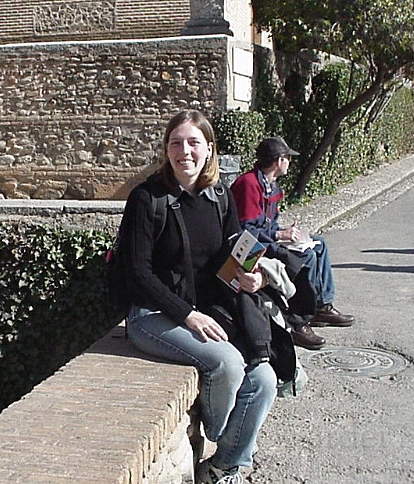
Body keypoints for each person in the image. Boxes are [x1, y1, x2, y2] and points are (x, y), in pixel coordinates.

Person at [121, 110, 277, 484]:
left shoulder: (220, 195)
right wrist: (187, 314)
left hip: (208, 309)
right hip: (152, 315)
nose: (184, 151)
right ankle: (222, 438)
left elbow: (234, 254)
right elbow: (137, 272)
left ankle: (223, 467)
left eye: (193, 142)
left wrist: (251, 277)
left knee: (265, 379)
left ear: (209, 149)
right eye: (176, 143)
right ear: (166, 150)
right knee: (227, 364)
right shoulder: (147, 198)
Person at [230, 136, 354, 350]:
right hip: (251, 247)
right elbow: (246, 229)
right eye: (288, 157)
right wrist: (279, 235)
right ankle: (298, 321)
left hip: (267, 238)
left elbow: (268, 223)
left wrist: (285, 232)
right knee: (305, 257)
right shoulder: (249, 184)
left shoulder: (270, 185)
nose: (290, 162)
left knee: (319, 245)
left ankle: (321, 305)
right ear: (279, 160)